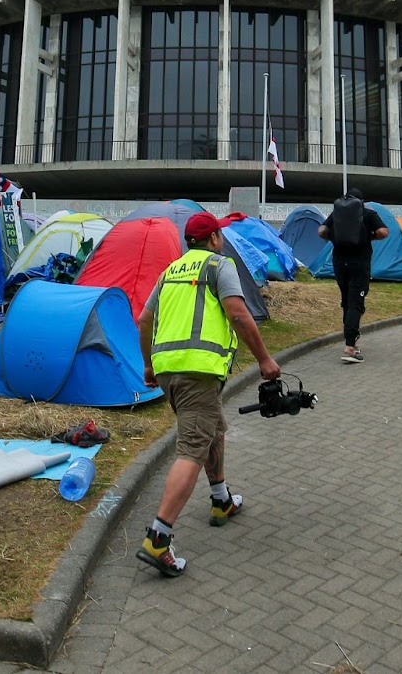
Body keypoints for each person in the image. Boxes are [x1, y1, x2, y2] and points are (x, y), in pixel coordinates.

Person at [136, 211, 281, 578]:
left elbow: (144, 320)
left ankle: (221, 500)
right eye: (220, 235)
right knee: (192, 447)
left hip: (170, 370)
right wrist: (264, 359)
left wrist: (149, 366)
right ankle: (159, 537)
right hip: (197, 371)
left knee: (214, 429)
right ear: (215, 237)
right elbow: (238, 312)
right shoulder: (219, 265)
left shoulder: (170, 271)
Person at [317, 188, 389, 364]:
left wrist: (334, 238)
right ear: (361, 201)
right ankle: (350, 347)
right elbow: (383, 232)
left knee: (346, 302)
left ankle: (351, 340)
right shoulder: (368, 213)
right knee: (355, 304)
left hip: (340, 264)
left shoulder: (337, 214)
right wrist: (368, 236)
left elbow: (321, 231)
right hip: (359, 264)